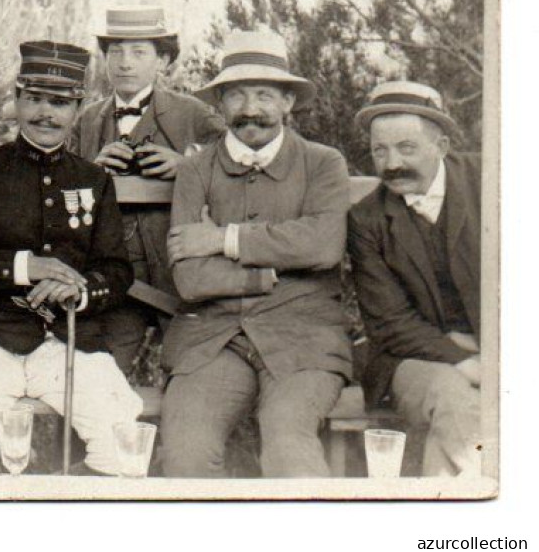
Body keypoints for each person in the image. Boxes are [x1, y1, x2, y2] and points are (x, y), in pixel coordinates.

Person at [0, 41, 140, 474]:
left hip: (70, 342)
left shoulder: (93, 180)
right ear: (17, 99)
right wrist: (26, 267)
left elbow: (116, 270)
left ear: (77, 108)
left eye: (60, 102)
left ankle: (54, 508)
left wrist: (77, 289)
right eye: (36, 99)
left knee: (122, 444)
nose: (47, 113)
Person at [160, 30, 352, 478]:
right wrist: (268, 275)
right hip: (212, 339)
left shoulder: (323, 163)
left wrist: (223, 239)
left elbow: (323, 245)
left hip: (303, 340)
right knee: (186, 450)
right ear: (221, 104)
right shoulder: (196, 169)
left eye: (265, 95)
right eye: (237, 96)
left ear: (288, 102)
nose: (251, 109)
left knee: (288, 445)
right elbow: (190, 277)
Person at [71, 5, 227, 374]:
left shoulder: (194, 114)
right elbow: (57, 193)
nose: (125, 63)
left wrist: (186, 163)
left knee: (192, 375)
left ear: (164, 61)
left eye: (139, 52)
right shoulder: (87, 120)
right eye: (116, 52)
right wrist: (91, 170)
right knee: (99, 376)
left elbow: (240, 159)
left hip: (178, 275)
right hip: (114, 278)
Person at [348, 81, 482, 476]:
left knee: (454, 431)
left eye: (407, 148)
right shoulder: (366, 219)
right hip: (412, 359)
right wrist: (464, 358)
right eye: (379, 150)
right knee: (452, 397)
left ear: (441, 146)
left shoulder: (490, 181)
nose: (391, 164)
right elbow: (389, 324)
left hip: (497, 347)